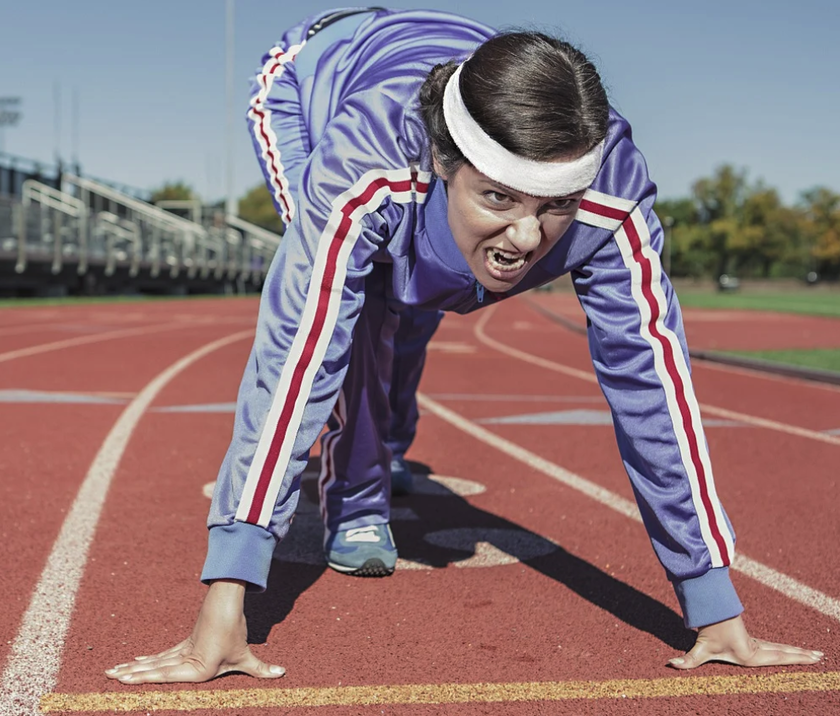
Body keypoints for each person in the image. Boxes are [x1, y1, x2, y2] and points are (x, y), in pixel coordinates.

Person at [107, 7, 823, 683]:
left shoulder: (613, 198)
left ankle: (389, 437)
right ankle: (357, 497)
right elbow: (297, 358)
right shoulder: (365, 164)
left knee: (424, 294)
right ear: (448, 162)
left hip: (451, 75)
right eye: (500, 199)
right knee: (358, 308)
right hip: (312, 78)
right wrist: (226, 602)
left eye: (555, 208)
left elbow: (654, 389)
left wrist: (715, 605)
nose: (526, 238)